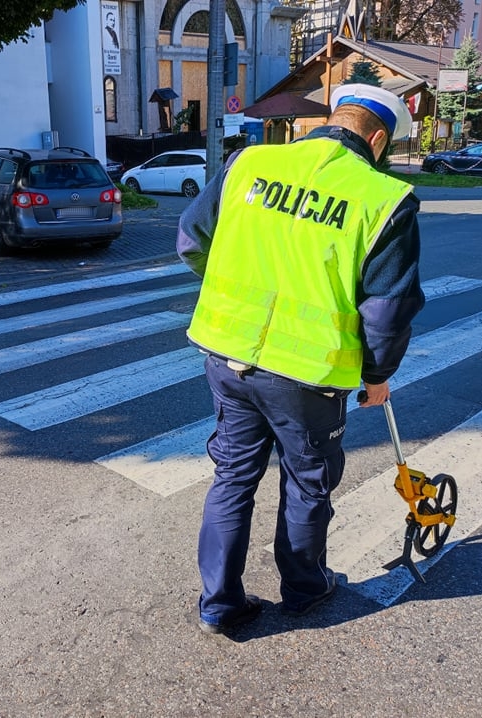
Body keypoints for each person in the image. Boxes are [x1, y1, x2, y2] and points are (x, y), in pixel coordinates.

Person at [177, 83, 425, 634]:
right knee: (308, 483)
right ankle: (305, 589)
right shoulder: (384, 199)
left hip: (227, 354)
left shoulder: (249, 162)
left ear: (333, 119)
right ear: (378, 139)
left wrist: (232, 294)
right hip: (308, 374)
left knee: (233, 477)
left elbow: (192, 240)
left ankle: (218, 605)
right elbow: (387, 309)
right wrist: (377, 376)